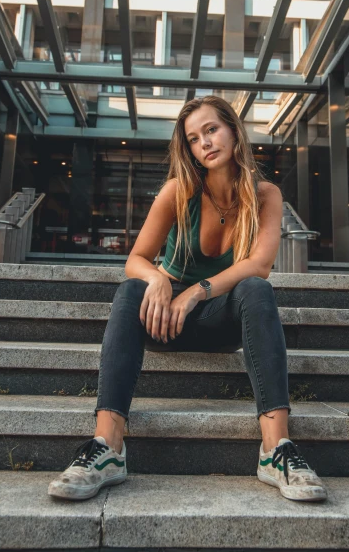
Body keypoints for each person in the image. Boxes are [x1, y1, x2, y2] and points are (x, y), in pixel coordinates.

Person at [48, 95, 327, 503]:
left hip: (220, 319)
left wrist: (197, 291)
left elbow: (261, 265)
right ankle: (107, 448)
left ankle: (276, 449)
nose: (206, 144)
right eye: (195, 139)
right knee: (131, 290)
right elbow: (136, 260)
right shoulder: (179, 191)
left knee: (256, 289)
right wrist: (159, 281)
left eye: (211, 130)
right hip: (165, 321)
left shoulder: (265, 195)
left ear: (233, 130)